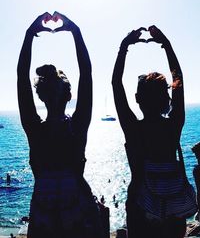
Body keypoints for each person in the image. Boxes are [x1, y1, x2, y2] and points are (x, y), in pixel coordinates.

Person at [17, 12, 102, 238]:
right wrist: (75, 31)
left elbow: (21, 77)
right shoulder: (77, 126)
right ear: (69, 95)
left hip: (45, 216)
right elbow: (87, 73)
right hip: (79, 213)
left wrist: (29, 35)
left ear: (41, 96)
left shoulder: (36, 129)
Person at [112, 25, 186, 238]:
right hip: (172, 206)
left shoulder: (133, 129)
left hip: (139, 204)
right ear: (167, 99)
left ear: (137, 99)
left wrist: (124, 47)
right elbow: (178, 80)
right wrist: (166, 45)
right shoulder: (173, 126)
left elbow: (116, 83)